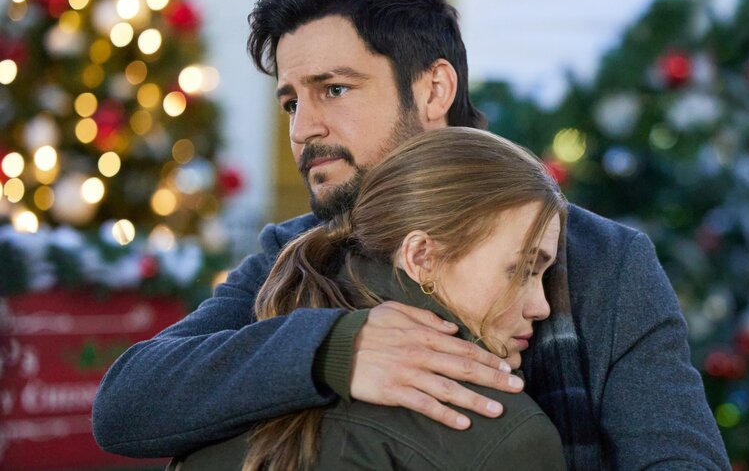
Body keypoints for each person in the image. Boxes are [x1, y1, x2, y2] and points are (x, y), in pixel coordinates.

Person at [93, 0, 730, 470]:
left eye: (334, 89)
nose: (304, 127)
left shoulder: (602, 260)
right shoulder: (295, 253)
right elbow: (127, 404)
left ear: (433, 90)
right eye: (291, 102)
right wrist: (333, 350)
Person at [170, 127, 570, 470]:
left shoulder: (219, 400)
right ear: (421, 257)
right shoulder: (507, 437)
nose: (542, 306)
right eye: (521, 270)